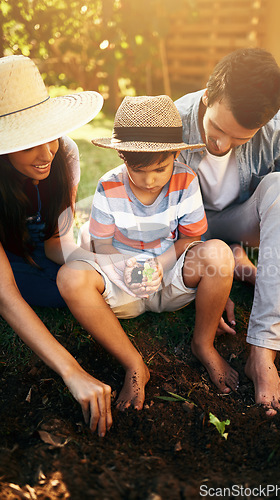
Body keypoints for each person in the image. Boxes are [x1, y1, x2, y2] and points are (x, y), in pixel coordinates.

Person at [174, 47, 280, 416]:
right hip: (189, 228)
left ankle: (263, 355)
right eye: (216, 129)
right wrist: (213, 277)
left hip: (244, 220)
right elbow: (162, 211)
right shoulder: (174, 121)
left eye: (239, 139)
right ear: (208, 94)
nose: (221, 145)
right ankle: (230, 259)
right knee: (215, 253)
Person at [56, 94, 239, 411]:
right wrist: (128, 269)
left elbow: (190, 237)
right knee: (70, 278)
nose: (150, 180)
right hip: (124, 284)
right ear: (122, 157)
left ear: (174, 155)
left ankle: (203, 344)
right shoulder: (109, 186)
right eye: (138, 170)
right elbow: (102, 244)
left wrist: (160, 262)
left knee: (220, 254)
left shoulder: (185, 180)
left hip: (169, 278)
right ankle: (134, 364)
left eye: (160, 168)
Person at [0, 54, 113, 437]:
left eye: (48, 134)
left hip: (34, 246)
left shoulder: (63, 154)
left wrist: (101, 265)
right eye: (29, 142)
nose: (46, 152)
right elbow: (5, 296)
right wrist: (73, 371)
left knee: (79, 283)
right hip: (4, 258)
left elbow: (55, 244)